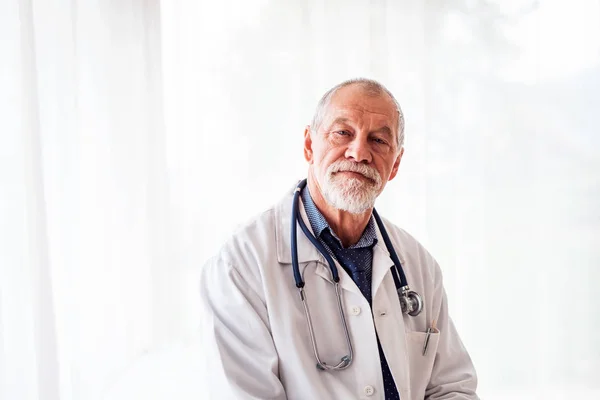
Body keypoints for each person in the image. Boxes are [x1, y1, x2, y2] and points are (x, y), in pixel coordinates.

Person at [199, 78, 479, 399]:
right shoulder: (241, 265)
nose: (359, 152)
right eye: (343, 133)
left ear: (396, 164)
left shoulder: (417, 264)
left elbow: (451, 386)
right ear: (309, 145)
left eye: (378, 140)